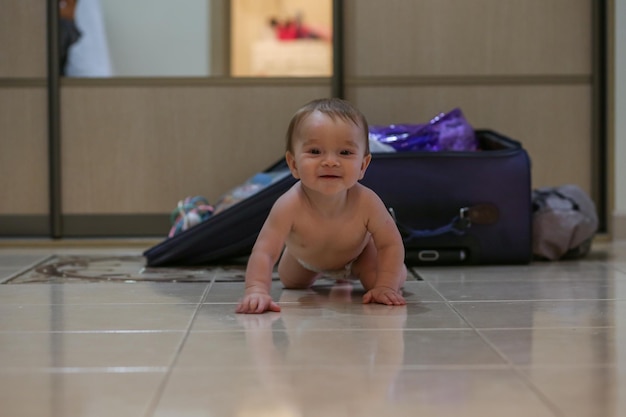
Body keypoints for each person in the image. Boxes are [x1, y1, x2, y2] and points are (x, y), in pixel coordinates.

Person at [236, 98, 407, 314]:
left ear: (363, 166)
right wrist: (256, 289)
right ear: (293, 164)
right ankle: (302, 262)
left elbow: (390, 244)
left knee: (378, 280)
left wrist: (387, 285)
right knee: (291, 282)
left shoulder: (368, 202)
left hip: (359, 256)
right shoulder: (289, 205)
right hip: (305, 259)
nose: (330, 162)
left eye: (345, 152)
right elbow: (265, 251)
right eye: (315, 152)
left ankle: (396, 273)